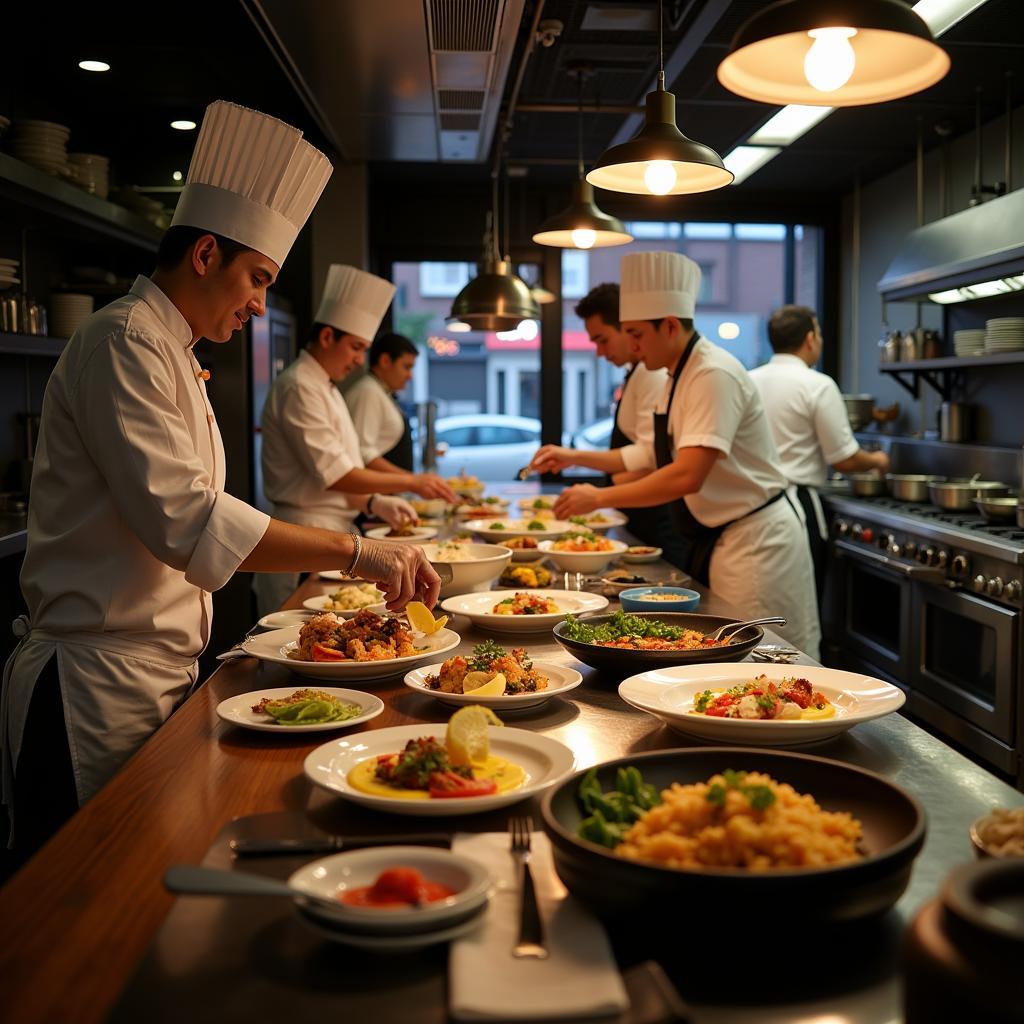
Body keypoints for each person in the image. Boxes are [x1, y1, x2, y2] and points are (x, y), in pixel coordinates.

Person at [0, 101, 440, 866]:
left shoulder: (173, 352)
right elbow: (187, 520)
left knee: (142, 886)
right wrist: (359, 554)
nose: (261, 304)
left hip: (156, 673)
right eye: (258, 278)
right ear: (206, 254)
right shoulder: (123, 342)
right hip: (94, 688)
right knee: (75, 907)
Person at [530, 252, 820, 659]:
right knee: (737, 658)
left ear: (669, 326)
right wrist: (575, 457)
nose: (631, 346)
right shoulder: (676, 373)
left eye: (636, 334)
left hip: (758, 543)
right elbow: (653, 452)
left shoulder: (711, 373)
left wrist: (596, 498)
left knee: (772, 660)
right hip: (725, 537)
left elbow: (687, 475)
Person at [255, 267, 456, 614]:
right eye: (356, 347)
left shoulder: (325, 387)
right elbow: (336, 474)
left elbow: (340, 467)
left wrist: (374, 502)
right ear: (328, 336)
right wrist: (411, 481)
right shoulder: (299, 386)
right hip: (304, 535)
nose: (360, 360)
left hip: (333, 533)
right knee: (303, 645)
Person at [541, 283, 691, 568]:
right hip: (642, 517)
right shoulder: (637, 373)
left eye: (602, 340)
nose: (599, 352)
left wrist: (599, 490)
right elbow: (641, 455)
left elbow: (650, 458)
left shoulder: (652, 374)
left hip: (659, 521)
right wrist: (573, 458)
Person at [750, 305, 890, 600]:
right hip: (795, 509)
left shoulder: (748, 380)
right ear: (810, 338)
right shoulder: (818, 384)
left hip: (751, 508)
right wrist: (877, 460)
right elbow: (844, 458)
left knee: (765, 600)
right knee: (801, 600)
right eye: (820, 333)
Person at [345, 332, 419, 472]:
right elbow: (362, 452)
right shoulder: (367, 392)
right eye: (406, 367)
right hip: (375, 490)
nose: (410, 376)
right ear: (385, 361)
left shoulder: (380, 391)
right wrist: (411, 481)